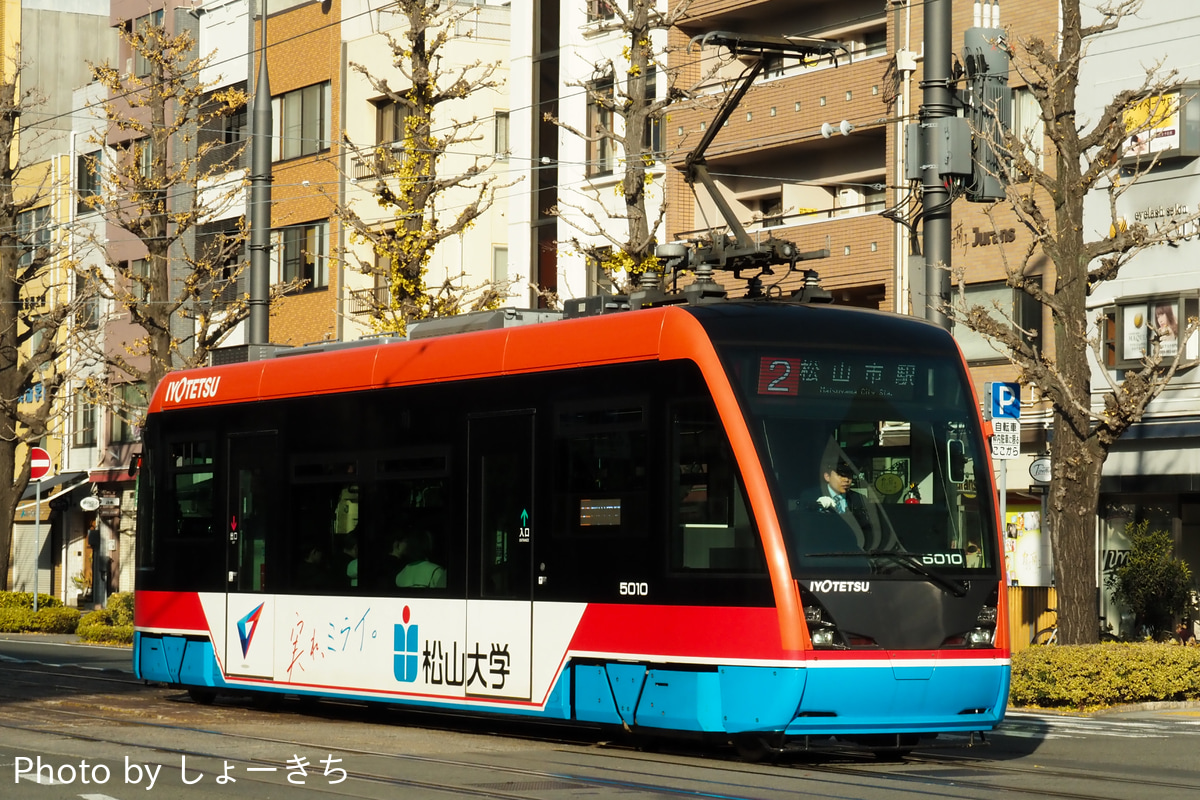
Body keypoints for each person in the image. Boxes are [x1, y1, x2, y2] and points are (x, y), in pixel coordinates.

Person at [805, 458, 878, 550]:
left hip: (850, 550)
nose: (846, 480)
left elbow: (868, 528)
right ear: (827, 476)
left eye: (849, 475)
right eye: (841, 475)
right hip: (821, 551)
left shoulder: (859, 499)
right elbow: (805, 527)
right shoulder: (811, 496)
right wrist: (817, 507)